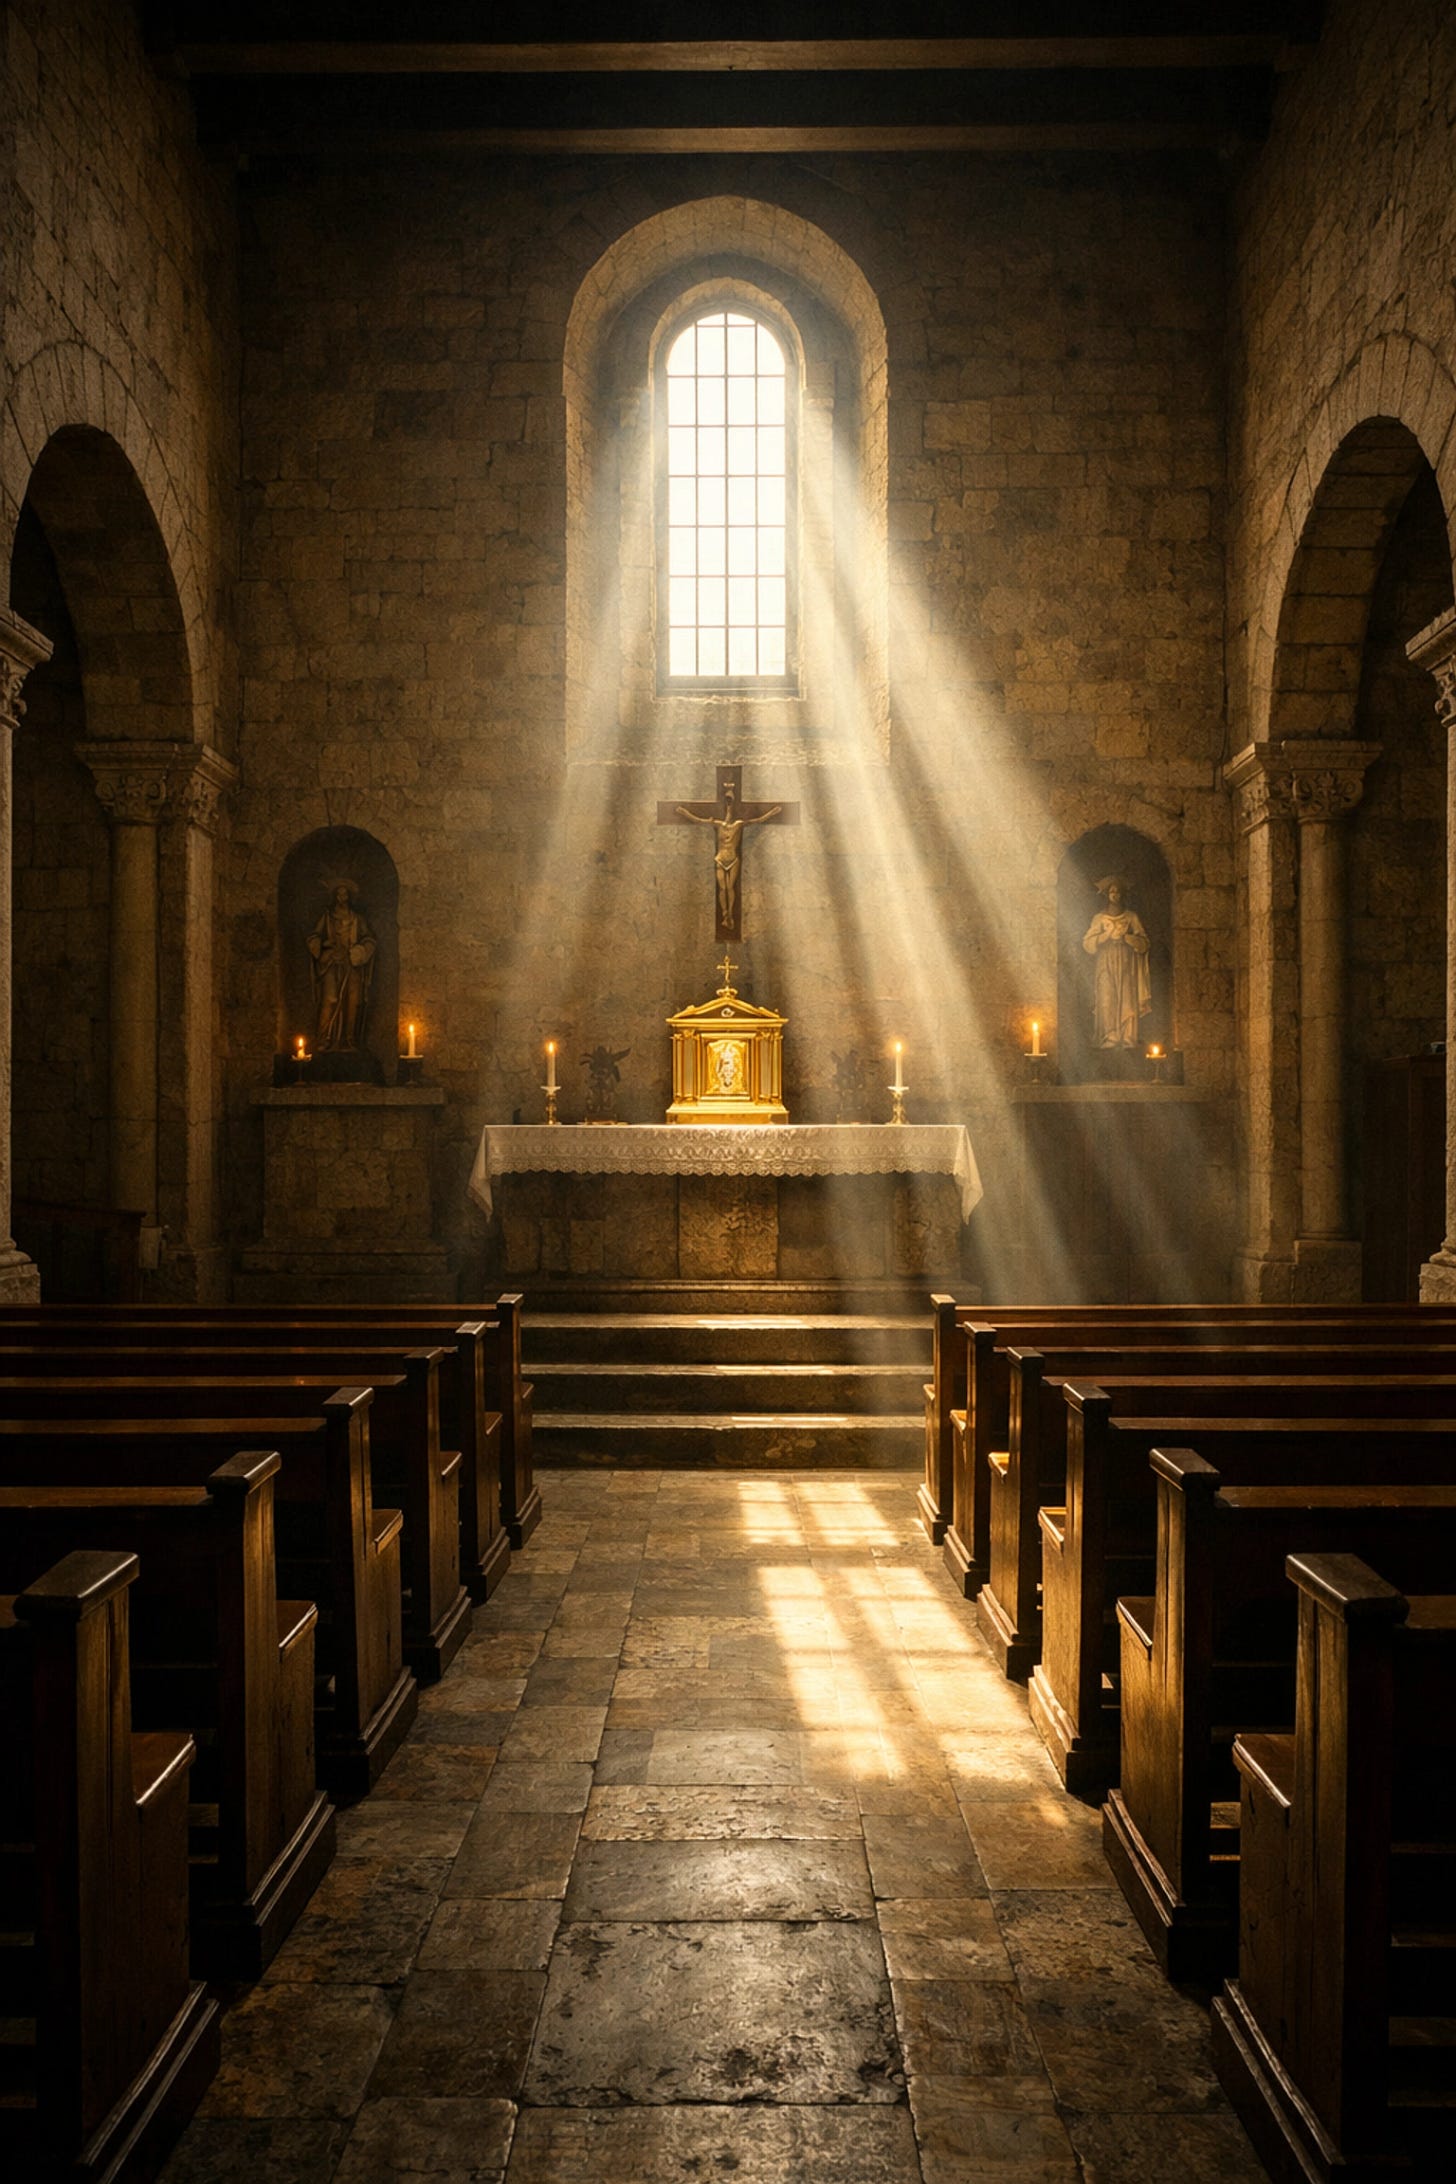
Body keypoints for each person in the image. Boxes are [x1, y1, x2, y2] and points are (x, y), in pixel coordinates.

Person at [676, 782, 782, 931]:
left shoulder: (738, 825)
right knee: (722, 888)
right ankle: (724, 913)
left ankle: (730, 913)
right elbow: (698, 820)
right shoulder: (718, 824)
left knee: (730, 887)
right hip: (720, 858)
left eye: (731, 804)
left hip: (733, 859)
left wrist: (772, 813)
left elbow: (757, 820)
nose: (729, 810)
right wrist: (684, 813)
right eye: (727, 805)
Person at [1082, 874, 1152, 1049]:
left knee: (1128, 999)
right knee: (1107, 998)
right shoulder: (1099, 918)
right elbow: (1087, 944)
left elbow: (1144, 943)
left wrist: (1128, 938)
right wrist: (1105, 936)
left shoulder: (1131, 917)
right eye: (1112, 892)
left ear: (1122, 894)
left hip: (1127, 963)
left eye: (1118, 892)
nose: (1115, 895)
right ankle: (1110, 1036)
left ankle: (1128, 1037)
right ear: (1107, 894)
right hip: (1105, 962)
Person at [309, 881, 376, 1052]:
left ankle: (349, 1039)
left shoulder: (357, 918)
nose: (342, 898)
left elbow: (369, 939)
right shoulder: (327, 917)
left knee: (353, 1001)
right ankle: (324, 1038)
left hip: (351, 964)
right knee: (330, 999)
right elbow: (314, 937)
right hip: (331, 962)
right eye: (339, 894)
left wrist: (360, 952)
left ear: (349, 897)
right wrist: (323, 945)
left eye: (345, 894)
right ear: (335, 897)